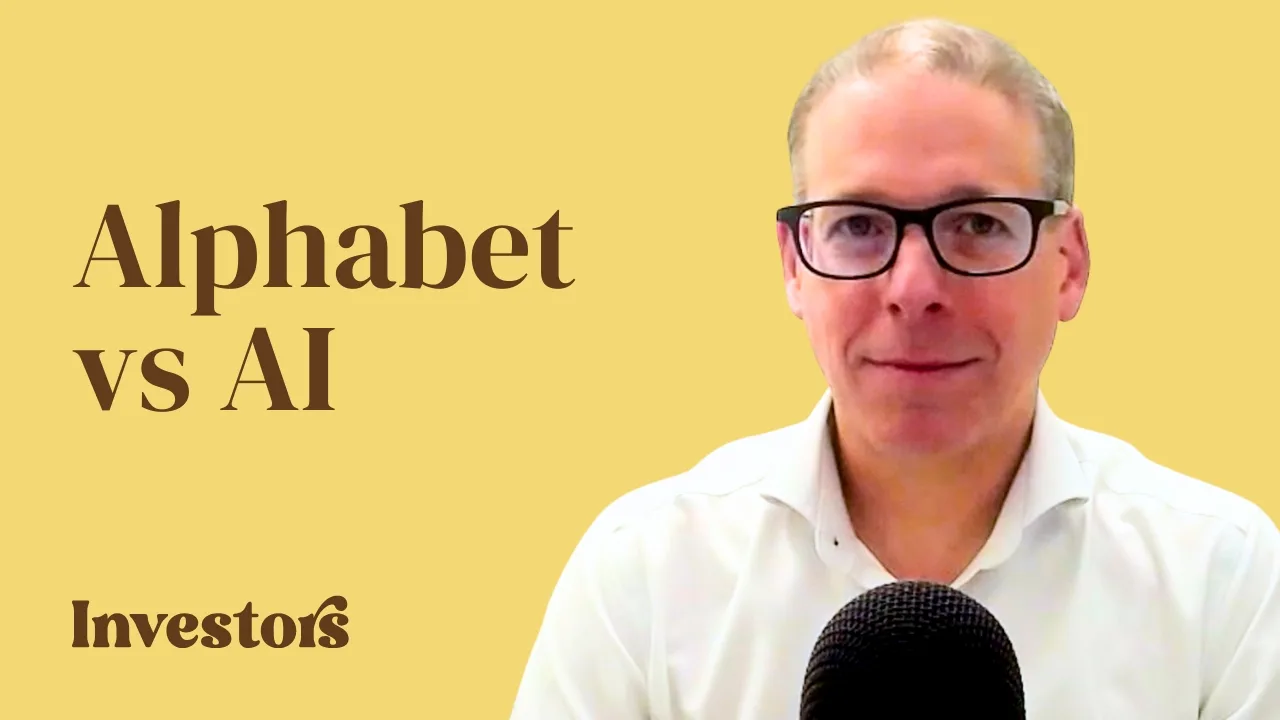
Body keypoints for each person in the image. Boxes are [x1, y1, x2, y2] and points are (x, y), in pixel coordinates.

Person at [509, 17, 1280, 719]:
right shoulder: (645, 573)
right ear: (794, 266)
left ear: (1068, 264)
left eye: (977, 223)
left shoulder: (1222, 581)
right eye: (858, 226)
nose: (913, 289)